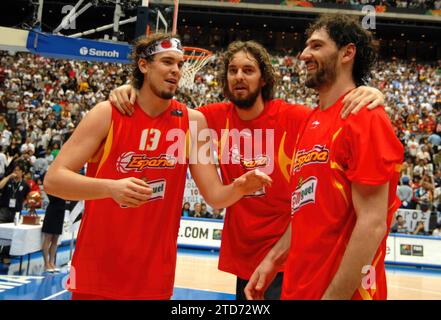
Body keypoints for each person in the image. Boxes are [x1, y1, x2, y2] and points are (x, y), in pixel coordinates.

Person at [110, 40, 385, 299]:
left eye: (248, 70)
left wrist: (369, 91)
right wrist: (131, 89)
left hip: (287, 252)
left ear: (263, 78)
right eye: (233, 70)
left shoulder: (295, 117)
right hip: (245, 255)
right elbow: (168, 111)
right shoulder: (210, 118)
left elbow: (335, 119)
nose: (239, 76)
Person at [43, 33, 271, 300]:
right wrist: (110, 188)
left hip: (154, 278)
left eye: (179, 64)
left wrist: (240, 187)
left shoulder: (193, 122)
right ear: (143, 65)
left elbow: (216, 197)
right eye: (167, 62)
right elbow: (53, 180)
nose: (175, 70)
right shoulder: (108, 113)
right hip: (97, 273)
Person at [245, 14, 403, 300]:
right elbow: (307, 209)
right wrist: (273, 259)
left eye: (316, 46)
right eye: (306, 46)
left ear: (347, 52)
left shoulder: (364, 116)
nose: (304, 54)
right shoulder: (312, 121)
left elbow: (372, 223)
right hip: (298, 288)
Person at [0, 164, 31, 264]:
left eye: (18, 170)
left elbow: (27, 198)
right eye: (15, 170)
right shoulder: (9, 181)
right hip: (4, 209)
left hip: (16, 212)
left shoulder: (25, 185)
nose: (16, 172)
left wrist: (20, 204)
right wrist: (8, 176)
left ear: (22, 172)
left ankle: (5, 255)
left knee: (11, 235)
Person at [41, 195, 66, 273]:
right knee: (48, 238)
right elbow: (51, 197)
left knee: (55, 239)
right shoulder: (53, 186)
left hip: (61, 211)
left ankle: (52, 262)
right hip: (52, 210)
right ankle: (46, 263)